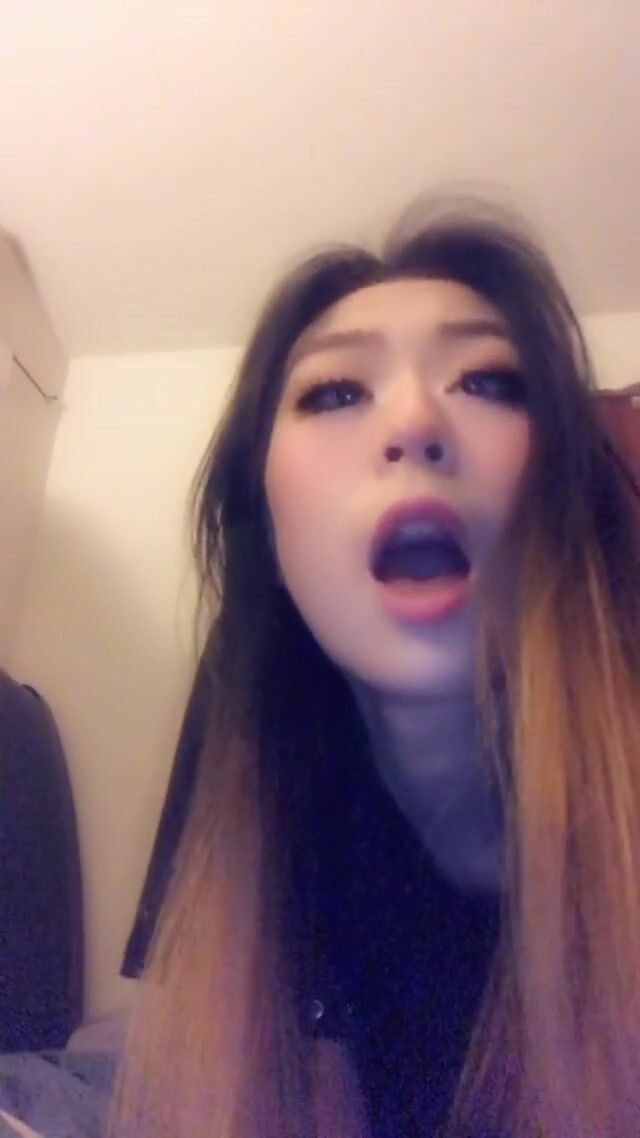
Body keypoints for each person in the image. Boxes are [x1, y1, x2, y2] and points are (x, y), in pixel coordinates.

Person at [3, 198, 640, 1138]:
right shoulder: (249, 773)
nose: (415, 420)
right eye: (337, 392)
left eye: (489, 379)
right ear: (268, 526)